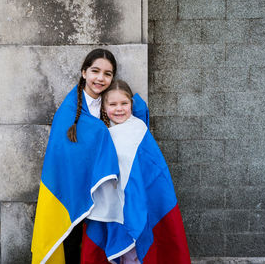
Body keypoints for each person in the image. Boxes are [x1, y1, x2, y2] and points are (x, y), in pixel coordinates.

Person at [31, 49, 148, 264]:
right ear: (84, 72)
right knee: (73, 242)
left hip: (106, 193)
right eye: (95, 71)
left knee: (98, 246)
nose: (100, 78)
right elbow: (62, 158)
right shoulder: (68, 111)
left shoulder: (111, 104)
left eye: (107, 73)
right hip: (73, 191)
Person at [81, 80, 191, 263]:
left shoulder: (139, 129)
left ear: (131, 104)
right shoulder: (101, 133)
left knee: (135, 252)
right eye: (112, 104)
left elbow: (153, 171)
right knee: (113, 252)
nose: (119, 109)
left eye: (124, 103)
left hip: (137, 202)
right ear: (104, 107)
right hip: (110, 204)